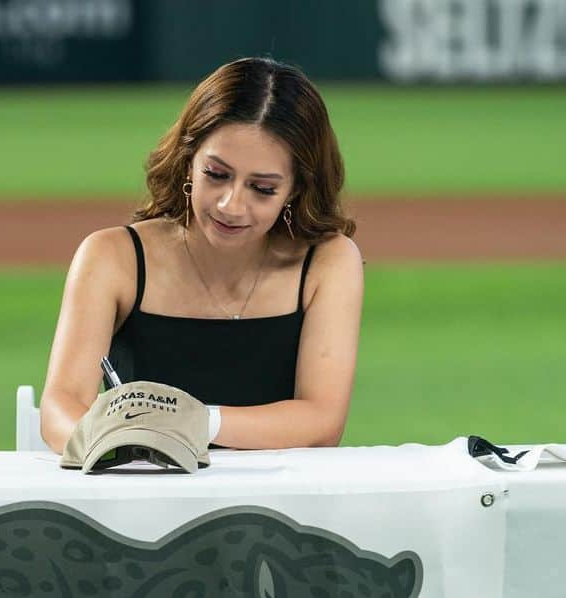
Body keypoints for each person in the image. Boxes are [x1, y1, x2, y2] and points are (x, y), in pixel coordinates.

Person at [40, 57, 364, 454]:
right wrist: (112, 441)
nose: (231, 204)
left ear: (296, 190)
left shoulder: (328, 261)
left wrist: (191, 421)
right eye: (217, 174)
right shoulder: (112, 256)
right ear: (188, 160)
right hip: (142, 495)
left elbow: (321, 423)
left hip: (278, 507)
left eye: (262, 188)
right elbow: (59, 408)